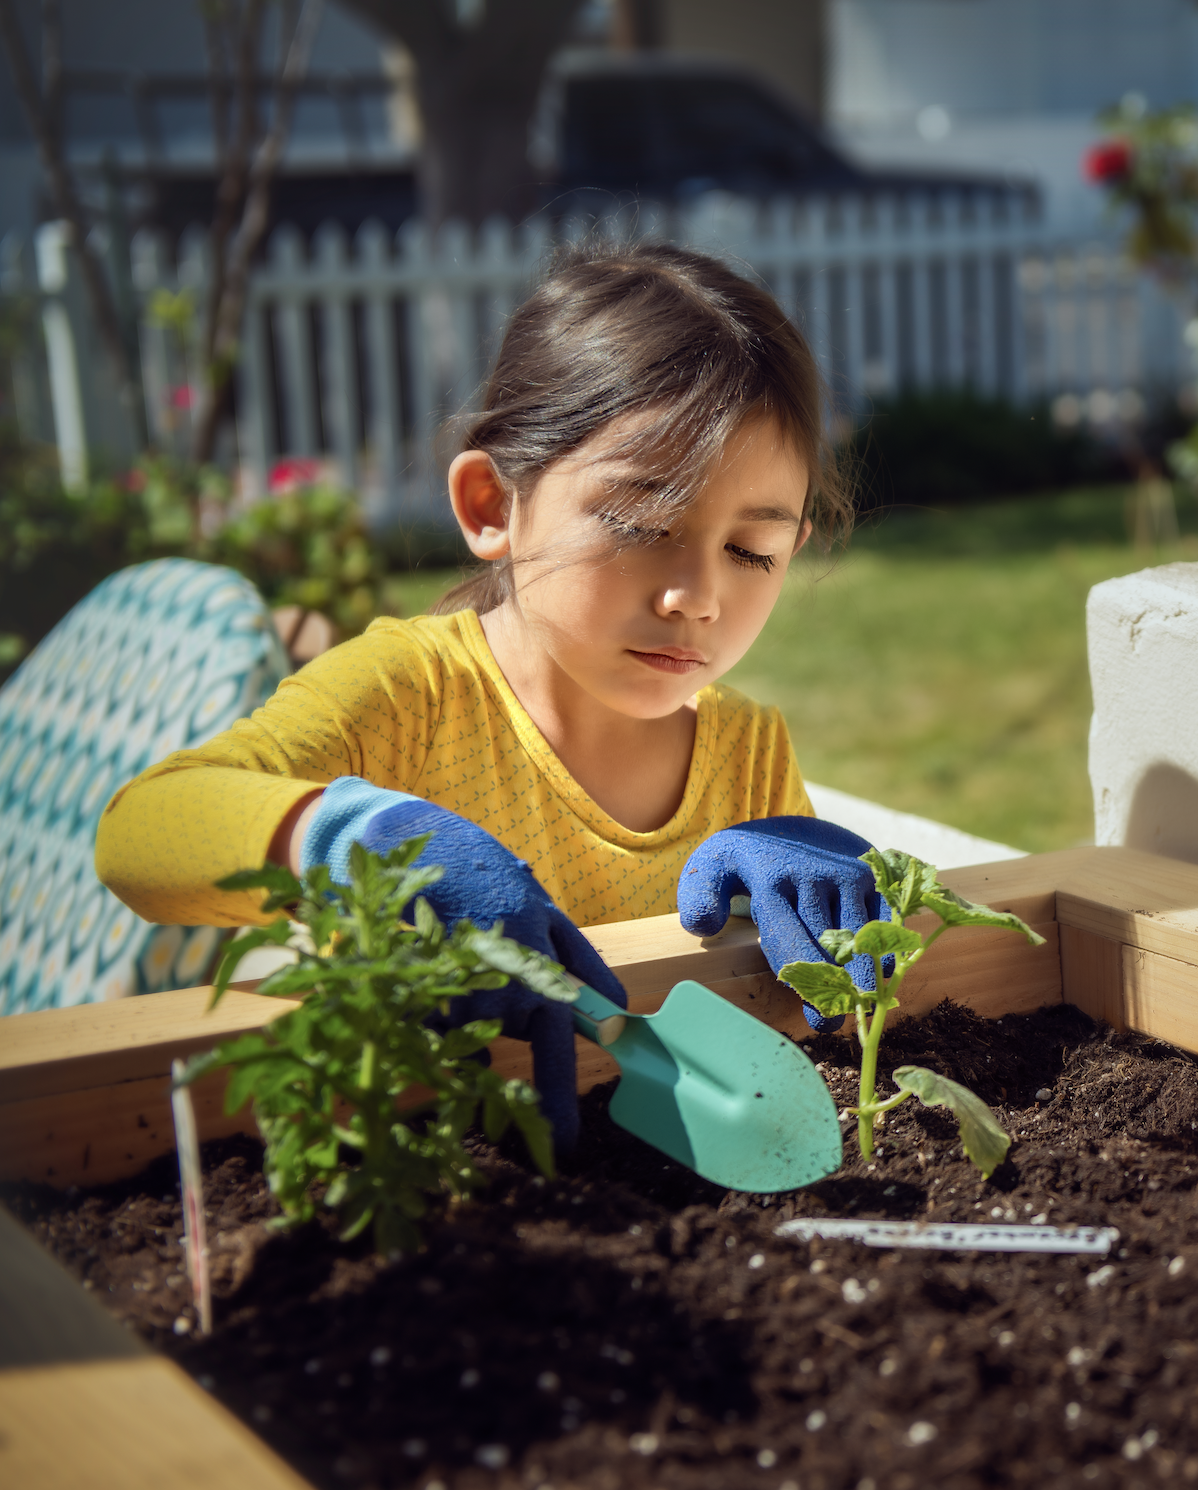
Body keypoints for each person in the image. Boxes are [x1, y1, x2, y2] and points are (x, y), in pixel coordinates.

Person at [95, 242, 888, 1154]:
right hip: (416, 1157)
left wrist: (818, 885)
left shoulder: (748, 751)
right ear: (490, 507)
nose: (698, 598)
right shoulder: (410, 697)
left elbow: (796, 1010)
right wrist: (345, 836)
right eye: (642, 523)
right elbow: (138, 831)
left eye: (753, 552)